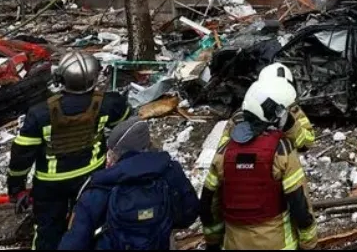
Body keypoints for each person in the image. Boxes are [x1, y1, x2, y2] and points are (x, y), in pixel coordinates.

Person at [8, 51, 131, 250]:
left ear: (61, 78)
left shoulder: (40, 113)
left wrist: (16, 188)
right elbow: (127, 126)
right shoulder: (107, 104)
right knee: (91, 224)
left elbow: (21, 156)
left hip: (50, 185)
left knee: (47, 232)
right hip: (92, 178)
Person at [200, 77, 317, 250]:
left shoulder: (224, 151)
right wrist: (309, 244)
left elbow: (208, 202)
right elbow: (300, 204)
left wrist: (213, 242)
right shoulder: (281, 151)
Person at [58, 118, 199, 250]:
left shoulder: (98, 187)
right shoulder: (170, 171)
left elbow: (74, 242)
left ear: (115, 154)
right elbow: (189, 214)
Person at [216, 63, 316, 152]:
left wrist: (290, 126)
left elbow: (308, 142)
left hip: (281, 164)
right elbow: (223, 148)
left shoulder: (293, 110)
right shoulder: (242, 115)